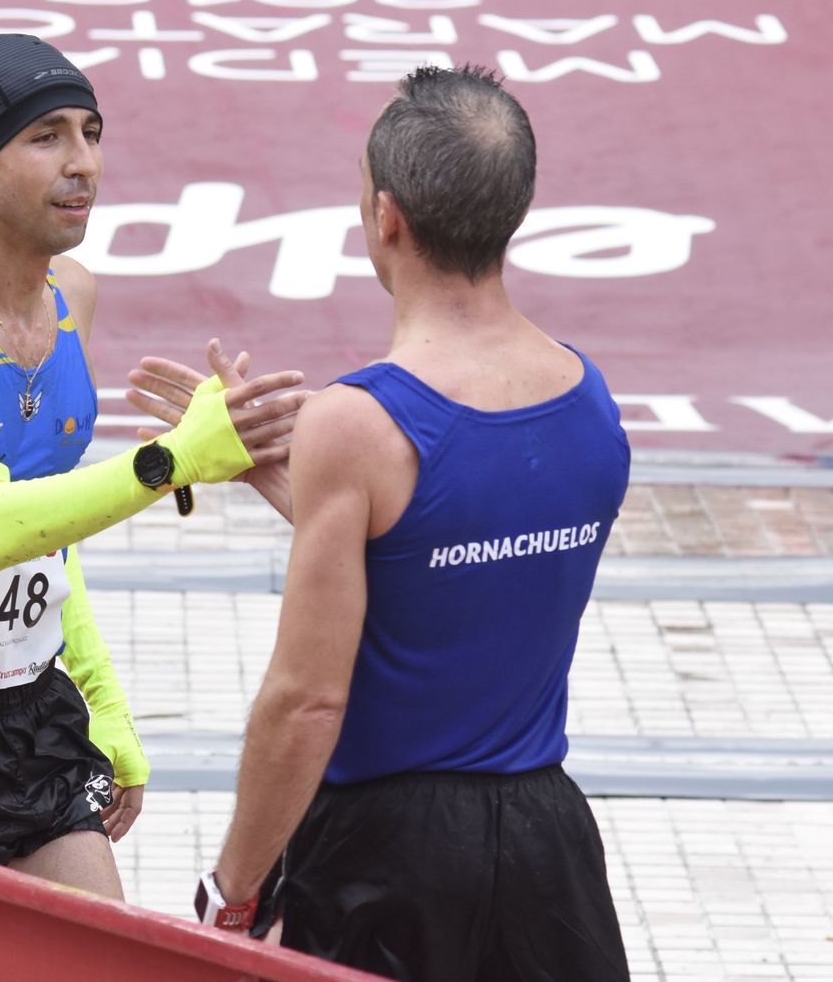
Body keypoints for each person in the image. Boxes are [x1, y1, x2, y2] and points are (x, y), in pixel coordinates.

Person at [133, 65, 632, 979]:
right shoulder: (587, 400)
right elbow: (451, 567)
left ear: (386, 217)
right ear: (515, 209)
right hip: (546, 848)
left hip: (385, 854)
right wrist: (301, 485)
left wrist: (231, 896)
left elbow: (306, 699)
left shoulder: (359, 424)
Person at [0, 33, 304, 898]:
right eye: (46, 137)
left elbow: (44, 535)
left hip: (26, 712)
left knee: (101, 950)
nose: (84, 164)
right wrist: (170, 460)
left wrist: (103, 698)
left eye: (92, 132)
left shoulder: (75, 296)